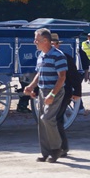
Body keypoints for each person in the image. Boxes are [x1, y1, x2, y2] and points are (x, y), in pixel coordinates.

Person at [23, 28, 67, 163]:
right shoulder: (41, 55)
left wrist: (52, 94)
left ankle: (57, 148)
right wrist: (31, 86)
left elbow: (62, 77)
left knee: (47, 118)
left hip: (55, 91)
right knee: (41, 122)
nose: (34, 42)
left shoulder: (58, 55)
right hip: (42, 91)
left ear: (45, 40)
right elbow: (39, 74)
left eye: (37, 39)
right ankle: (46, 153)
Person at [50, 33, 82, 158]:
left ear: (58, 44)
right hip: (51, 92)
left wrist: (77, 92)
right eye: (51, 44)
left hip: (65, 91)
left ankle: (63, 147)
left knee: (57, 118)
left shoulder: (66, 58)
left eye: (55, 44)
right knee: (55, 119)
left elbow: (74, 76)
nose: (54, 46)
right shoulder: (46, 57)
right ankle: (59, 146)